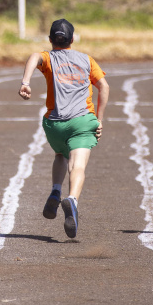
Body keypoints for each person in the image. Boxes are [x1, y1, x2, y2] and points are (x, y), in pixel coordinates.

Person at [19, 18, 110, 239]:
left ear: (51, 40)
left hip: (55, 124)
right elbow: (103, 86)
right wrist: (99, 119)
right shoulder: (87, 60)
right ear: (72, 39)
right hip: (82, 122)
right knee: (77, 165)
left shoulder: (49, 58)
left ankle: (55, 191)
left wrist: (26, 82)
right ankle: (72, 199)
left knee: (60, 154)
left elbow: (34, 57)